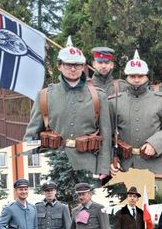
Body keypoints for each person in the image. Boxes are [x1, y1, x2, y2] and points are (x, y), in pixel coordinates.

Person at [24, 37, 112, 183]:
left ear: (83, 66)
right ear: (59, 66)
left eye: (77, 65)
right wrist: (31, 165)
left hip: (88, 165)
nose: (73, 69)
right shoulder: (45, 95)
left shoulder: (98, 96)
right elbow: (31, 136)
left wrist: (103, 167)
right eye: (69, 64)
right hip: (52, 165)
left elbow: (106, 134)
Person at [109, 50, 162, 176]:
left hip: (154, 165)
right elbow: (107, 134)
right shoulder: (114, 101)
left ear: (146, 76)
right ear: (126, 77)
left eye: (140, 76)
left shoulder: (161, 100)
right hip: (124, 166)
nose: (136, 80)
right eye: (132, 76)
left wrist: (155, 143)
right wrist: (111, 160)